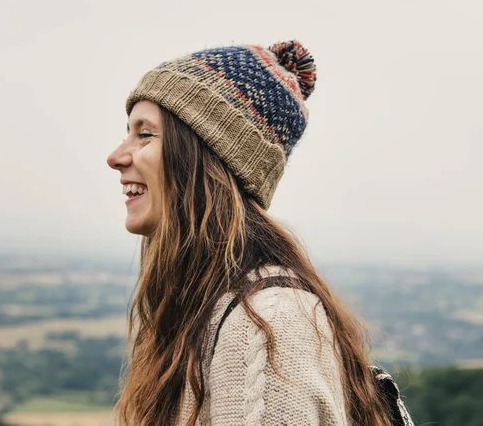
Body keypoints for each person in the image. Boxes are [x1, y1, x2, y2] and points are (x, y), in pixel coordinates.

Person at [106, 40, 413, 426]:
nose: (116, 156)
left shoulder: (263, 326)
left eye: (145, 134)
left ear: (208, 158)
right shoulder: (207, 308)